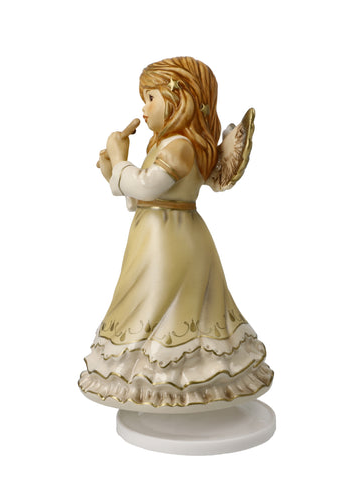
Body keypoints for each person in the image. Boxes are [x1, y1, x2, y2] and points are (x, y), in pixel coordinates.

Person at [78, 57, 273, 412]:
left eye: (151, 97)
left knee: (166, 302)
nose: (144, 107)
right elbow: (140, 196)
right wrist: (112, 172)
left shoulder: (180, 146)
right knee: (146, 302)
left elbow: (146, 186)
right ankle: (148, 378)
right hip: (153, 236)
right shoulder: (163, 144)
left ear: (179, 100)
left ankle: (180, 382)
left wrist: (121, 160)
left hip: (172, 243)